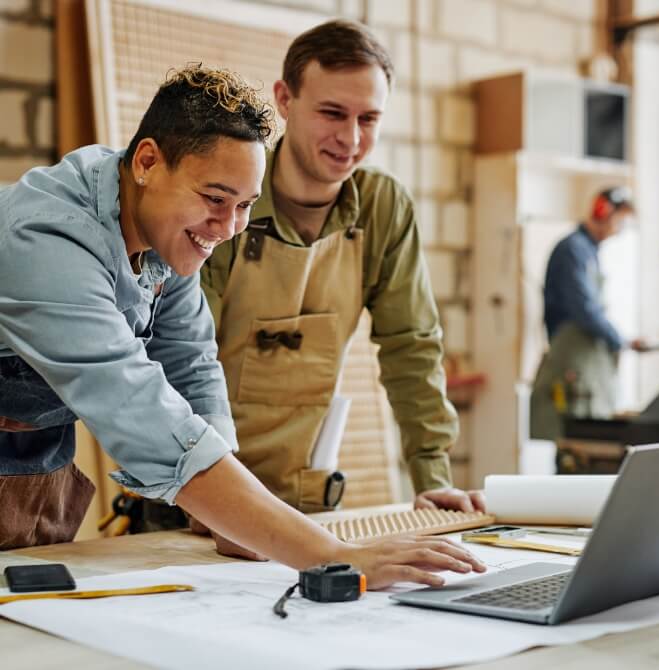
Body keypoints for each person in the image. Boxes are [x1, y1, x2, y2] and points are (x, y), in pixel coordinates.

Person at [0, 64, 485, 588]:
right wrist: (332, 554)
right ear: (146, 162)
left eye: (245, 207)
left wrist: (228, 514)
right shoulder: (48, 239)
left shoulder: (163, 230)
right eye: (214, 199)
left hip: (29, 471)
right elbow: (138, 409)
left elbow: (191, 363)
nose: (229, 228)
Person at [201, 19, 484, 548]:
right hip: (195, 502)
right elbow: (184, 356)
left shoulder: (382, 208)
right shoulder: (228, 196)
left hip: (308, 507)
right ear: (284, 99)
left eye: (368, 119)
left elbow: (411, 347)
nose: (350, 139)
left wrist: (433, 478)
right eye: (332, 113)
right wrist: (206, 490)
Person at [530, 186, 646, 441]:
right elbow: (584, 309)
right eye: (620, 221)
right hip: (572, 363)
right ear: (603, 212)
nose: (620, 230)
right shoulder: (573, 249)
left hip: (585, 365)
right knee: (573, 448)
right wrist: (620, 340)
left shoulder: (588, 252)